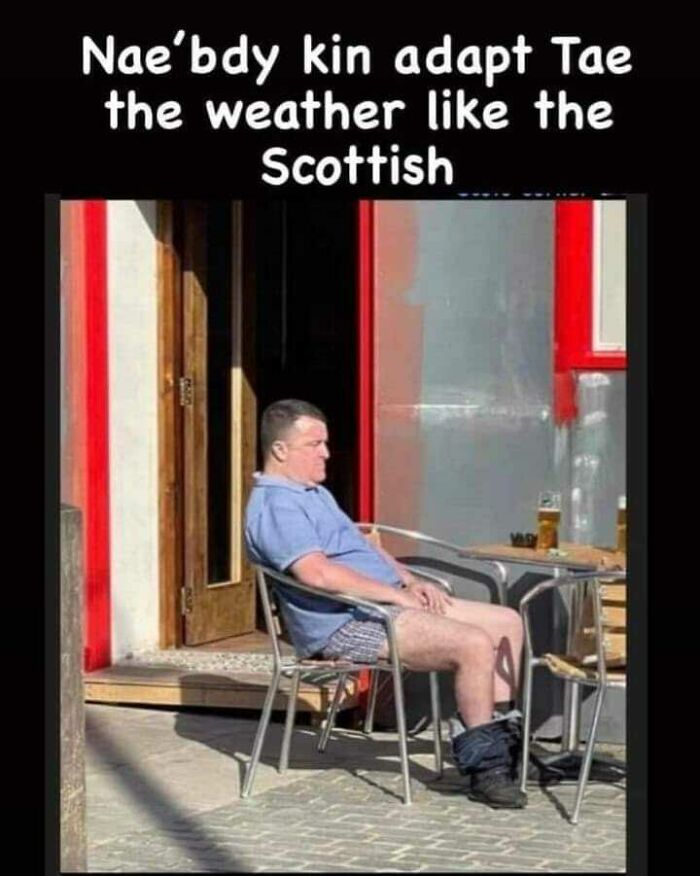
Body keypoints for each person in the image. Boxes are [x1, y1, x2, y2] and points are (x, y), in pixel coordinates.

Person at [244, 399, 527, 809]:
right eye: (315, 444)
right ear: (280, 451)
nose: (326, 452)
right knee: (473, 644)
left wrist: (410, 579)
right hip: (345, 624)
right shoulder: (276, 506)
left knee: (506, 623)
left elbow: (360, 547)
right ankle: (485, 769)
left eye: (326, 442)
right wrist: (396, 594)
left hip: (380, 605)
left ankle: (502, 743)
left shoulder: (313, 493)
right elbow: (318, 575)